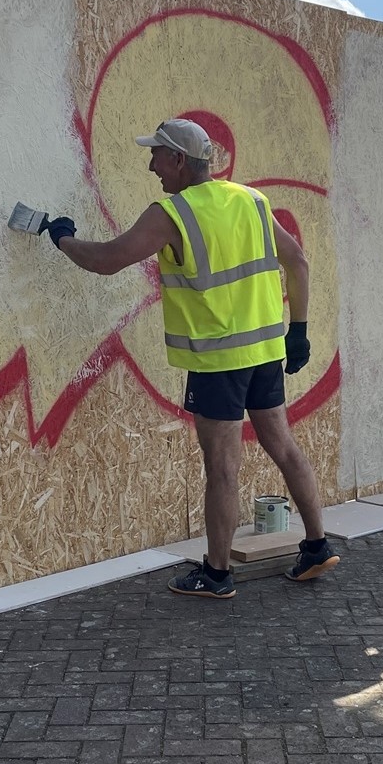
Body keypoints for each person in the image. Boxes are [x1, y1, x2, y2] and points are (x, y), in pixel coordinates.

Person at [43, 117, 338, 598]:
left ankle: (217, 574)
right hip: (264, 353)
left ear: (179, 160)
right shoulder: (251, 200)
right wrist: (298, 331)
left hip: (218, 362)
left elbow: (107, 261)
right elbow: (298, 261)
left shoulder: (172, 213)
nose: (151, 165)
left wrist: (62, 238)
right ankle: (318, 545)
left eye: (156, 155)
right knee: (282, 445)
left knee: (222, 466)